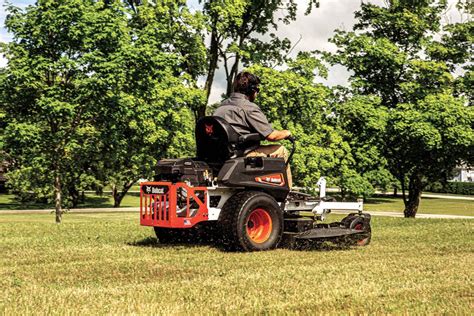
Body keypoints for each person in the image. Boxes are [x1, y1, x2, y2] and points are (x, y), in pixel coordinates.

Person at [214, 71, 293, 188]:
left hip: (220, 156)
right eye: (257, 90)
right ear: (252, 90)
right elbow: (272, 136)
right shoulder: (248, 107)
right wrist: (286, 133)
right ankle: (285, 193)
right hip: (241, 155)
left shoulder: (221, 106)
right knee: (281, 150)